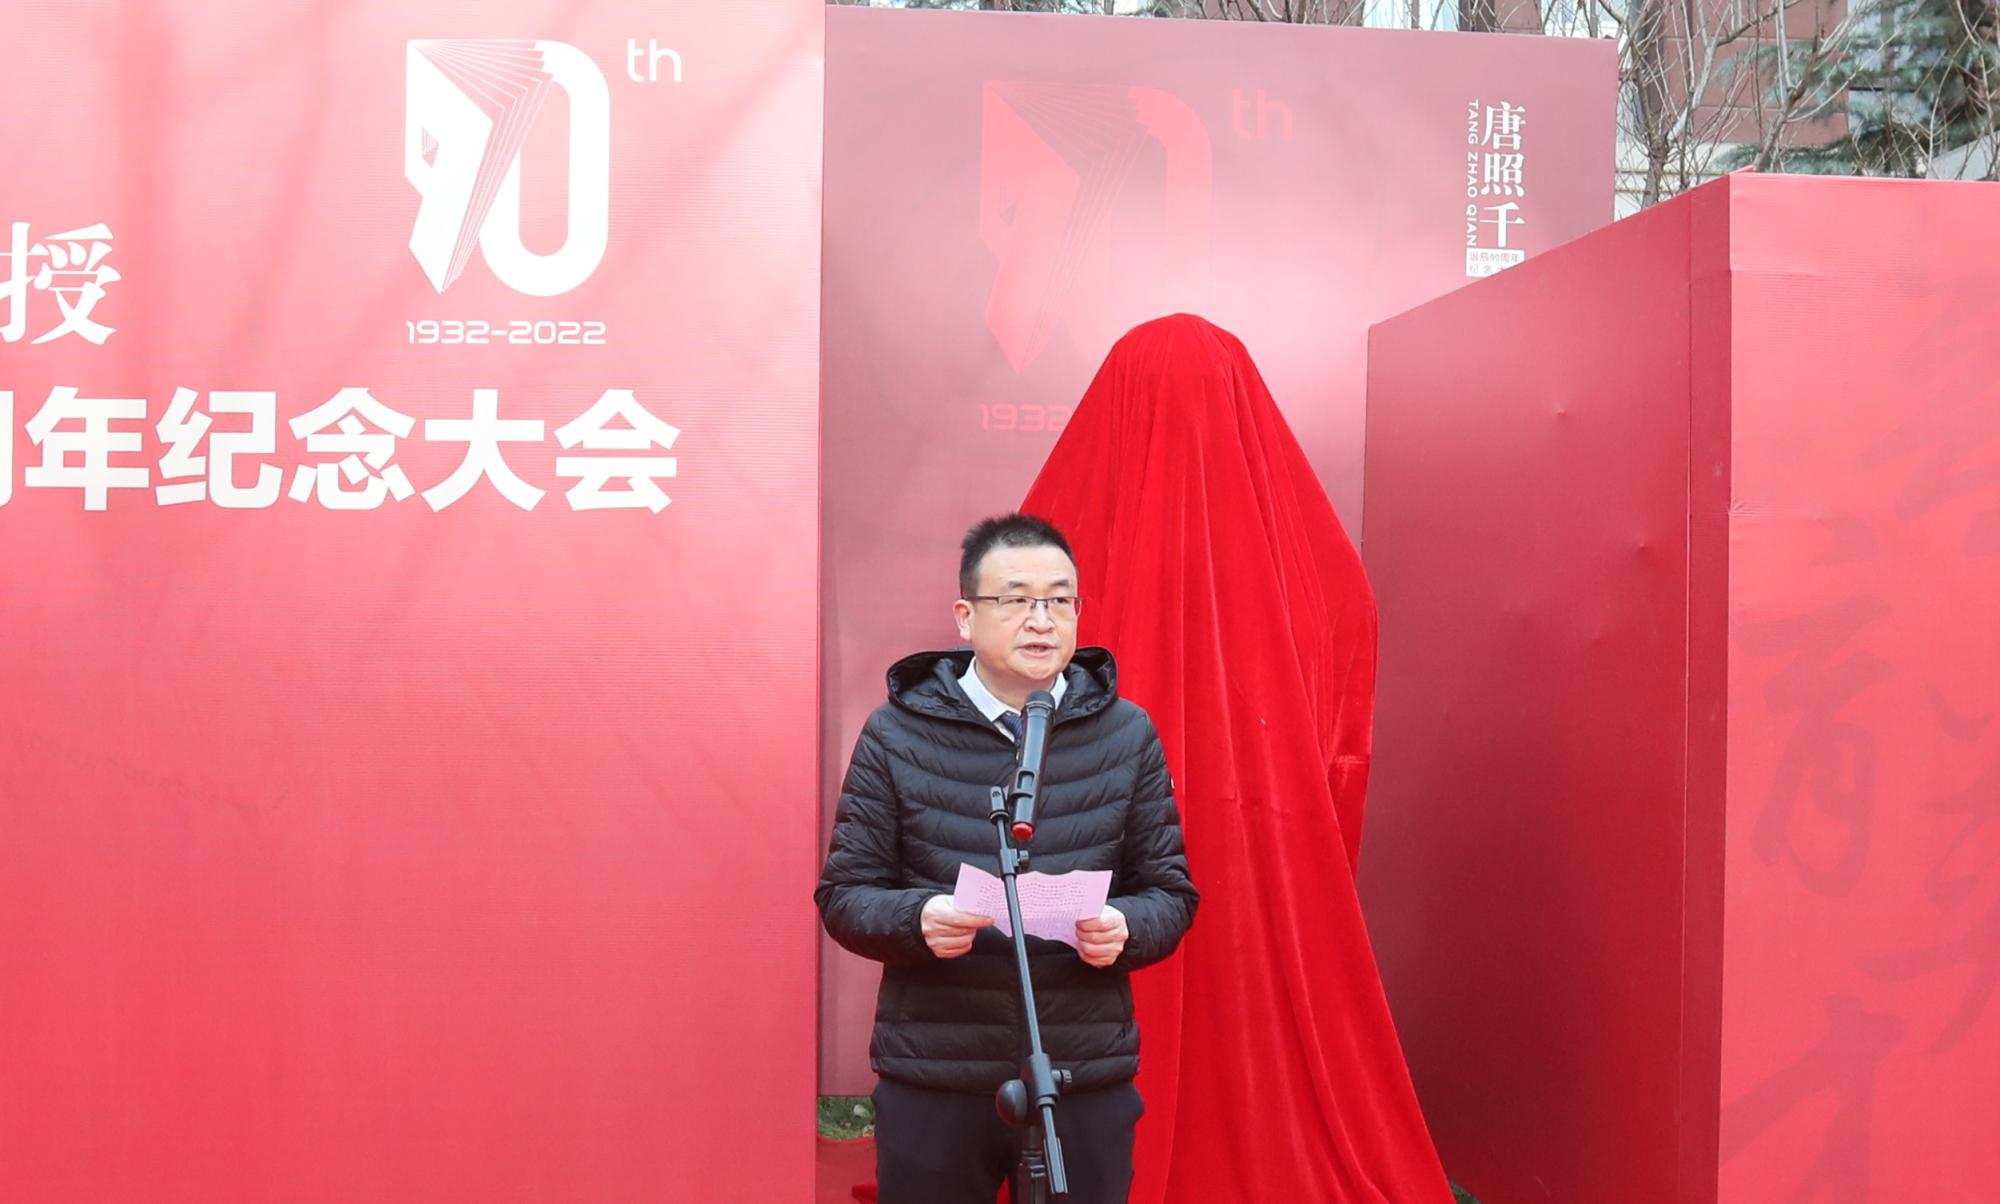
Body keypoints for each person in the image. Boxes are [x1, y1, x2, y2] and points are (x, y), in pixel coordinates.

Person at [817, 512, 1198, 1204]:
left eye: (1059, 600)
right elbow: (844, 894)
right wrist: (917, 918)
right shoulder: (895, 734)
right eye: (1017, 600)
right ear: (965, 617)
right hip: (936, 1071)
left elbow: (1170, 893)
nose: (1041, 621)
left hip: (1081, 1070)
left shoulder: (1127, 734)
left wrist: (1127, 927)